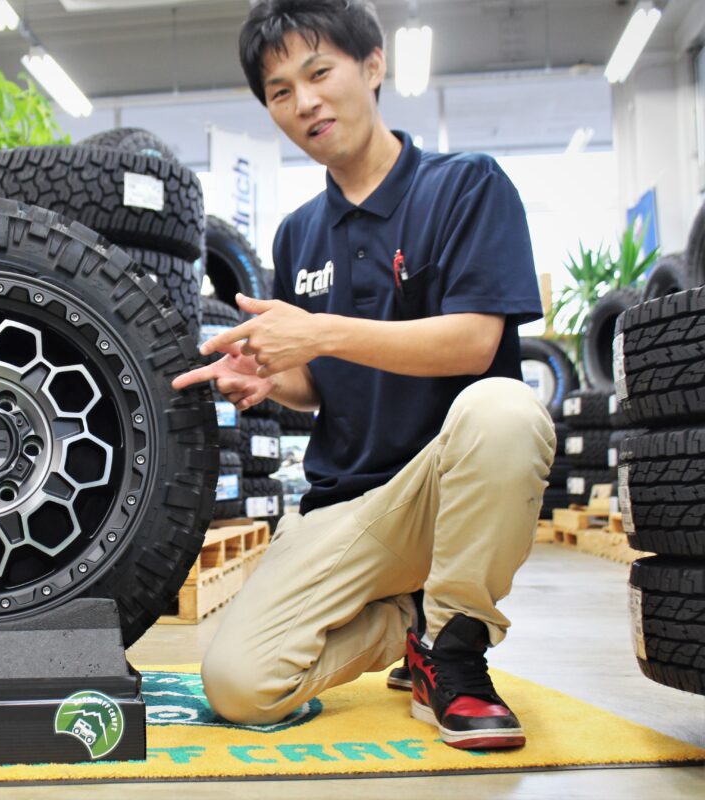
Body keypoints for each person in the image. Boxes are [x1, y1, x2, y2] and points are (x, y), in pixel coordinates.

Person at [171, 0, 555, 750]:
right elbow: (325, 383)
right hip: (346, 507)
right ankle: (408, 624)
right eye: (280, 91)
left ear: (373, 65)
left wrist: (317, 332)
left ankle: (454, 652)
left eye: (320, 73)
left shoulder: (466, 186)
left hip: (449, 491)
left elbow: (475, 343)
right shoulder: (299, 233)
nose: (305, 102)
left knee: (505, 410)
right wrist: (272, 378)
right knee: (240, 686)